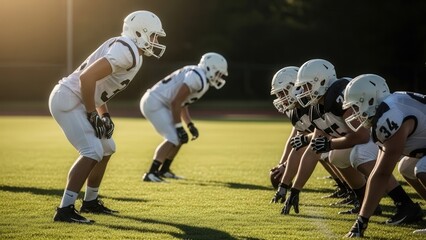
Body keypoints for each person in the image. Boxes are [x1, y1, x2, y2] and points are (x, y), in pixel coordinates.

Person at [48, 10, 166, 223]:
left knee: (107, 148)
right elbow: (87, 77)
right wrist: (92, 113)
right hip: (69, 99)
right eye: (154, 36)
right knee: (92, 151)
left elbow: (98, 87)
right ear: (140, 32)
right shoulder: (126, 51)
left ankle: (90, 202)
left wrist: (105, 115)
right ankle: (64, 209)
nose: (155, 41)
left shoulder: (130, 51)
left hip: (78, 99)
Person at [281, 59, 418, 219]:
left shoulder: (338, 95)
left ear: (322, 81)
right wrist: (295, 189)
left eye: (307, 86)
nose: (304, 91)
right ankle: (363, 200)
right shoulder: (317, 107)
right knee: (336, 156)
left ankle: (404, 203)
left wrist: (331, 143)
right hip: (373, 136)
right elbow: (314, 148)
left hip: (384, 132)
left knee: (360, 156)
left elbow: (362, 134)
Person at [342, 74, 425, 237]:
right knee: (407, 167)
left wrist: (361, 221)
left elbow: (382, 174)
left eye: (357, 106)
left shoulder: (389, 114)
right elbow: (377, 173)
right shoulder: (390, 107)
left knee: (422, 168)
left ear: (370, 100)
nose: (355, 113)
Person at [140, 52, 228, 182]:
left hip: (159, 102)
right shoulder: (198, 77)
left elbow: (181, 103)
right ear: (211, 68)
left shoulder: (199, 75)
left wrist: (189, 125)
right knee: (174, 137)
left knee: (181, 138)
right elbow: (175, 102)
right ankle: (151, 173)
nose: (218, 77)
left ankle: (164, 170)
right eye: (218, 73)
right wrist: (179, 127)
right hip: (155, 102)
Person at [268, 66, 350, 204]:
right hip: (339, 141)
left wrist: (285, 166)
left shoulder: (314, 105)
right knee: (319, 149)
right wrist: (283, 167)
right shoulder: (295, 111)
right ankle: (344, 186)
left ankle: (353, 187)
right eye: (278, 95)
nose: (281, 99)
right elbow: (296, 143)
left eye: (282, 93)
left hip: (353, 141)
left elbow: (313, 139)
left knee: (323, 150)